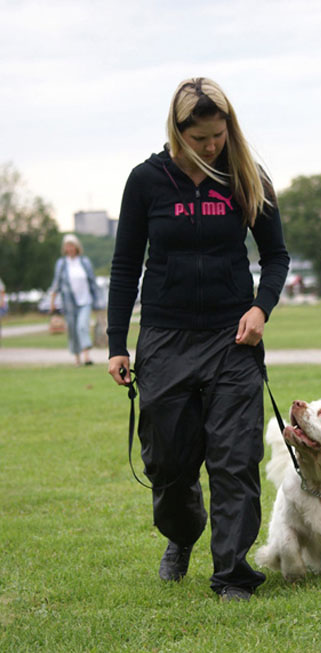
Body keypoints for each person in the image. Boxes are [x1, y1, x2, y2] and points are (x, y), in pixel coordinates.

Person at [107, 77, 290, 602]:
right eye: (202, 138)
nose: (213, 146)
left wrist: (261, 308)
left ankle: (232, 573)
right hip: (164, 337)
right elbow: (125, 266)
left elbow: (276, 256)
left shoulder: (245, 176)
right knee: (168, 461)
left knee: (234, 459)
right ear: (178, 130)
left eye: (220, 134)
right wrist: (117, 341)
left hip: (233, 339)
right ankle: (182, 535)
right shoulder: (146, 181)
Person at [50, 234, 98, 365]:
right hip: (69, 303)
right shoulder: (61, 264)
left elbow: (92, 282)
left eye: (72, 245)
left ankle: (87, 357)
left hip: (85, 300)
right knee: (72, 329)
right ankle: (77, 358)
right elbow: (56, 284)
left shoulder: (84, 262)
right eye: (67, 246)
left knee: (82, 326)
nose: (70, 248)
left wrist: (98, 301)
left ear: (77, 247)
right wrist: (52, 302)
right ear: (64, 248)